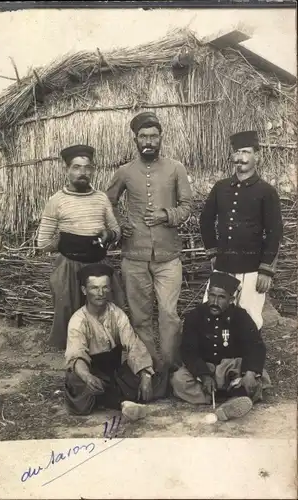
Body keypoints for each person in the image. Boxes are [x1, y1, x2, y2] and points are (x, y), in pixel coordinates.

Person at [106, 112, 192, 372]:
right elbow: (107, 202)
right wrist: (120, 224)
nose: (149, 141)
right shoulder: (125, 172)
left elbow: (187, 206)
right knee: (141, 317)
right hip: (134, 256)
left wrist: (167, 215)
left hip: (169, 257)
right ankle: (150, 370)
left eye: (153, 136)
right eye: (143, 136)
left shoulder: (176, 168)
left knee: (169, 314)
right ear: (135, 139)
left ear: (161, 138)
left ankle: (170, 368)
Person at [37, 144, 125, 350]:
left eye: (87, 168)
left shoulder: (101, 198)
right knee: (71, 322)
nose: (82, 173)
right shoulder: (56, 201)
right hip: (69, 269)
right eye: (76, 167)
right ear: (66, 170)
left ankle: (104, 366)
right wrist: (67, 244)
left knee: (106, 319)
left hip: (99, 267)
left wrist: (109, 235)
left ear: (93, 170)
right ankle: (76, 367)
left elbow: (115, 230)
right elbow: (42, 242)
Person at [200, 130, 283, 331]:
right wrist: (212, 251)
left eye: (246, 152)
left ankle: (246, 362)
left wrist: (266, 270)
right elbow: (205, 219)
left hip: (252, 268)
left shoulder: (266, 191)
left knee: (249, 321)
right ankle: (217, 361)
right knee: (213, 314)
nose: (240, 158)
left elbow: (275, 231)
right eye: (236, 153)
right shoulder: (221, 187)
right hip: (223, 264)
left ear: (257, 156)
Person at [64, 263, 168, 419]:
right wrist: (87, 377)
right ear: (84, 291)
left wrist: (145, 376)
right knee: (79, 383)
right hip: (91, 370)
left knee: (157, 373)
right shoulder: (78, 320)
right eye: (94, 288)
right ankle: (122, 402)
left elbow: (133, 345)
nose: (100, 293)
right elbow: (76, 355)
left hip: (114, 372)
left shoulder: (117, 314)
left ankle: (113, 399)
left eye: (105, 287)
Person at [171, 272, 272, 421]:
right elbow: (188, 350)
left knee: (257, 375)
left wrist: (250, 372)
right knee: (178, 380)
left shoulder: (240, 316)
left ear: (231, 299)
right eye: (212, 295)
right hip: (206, 369)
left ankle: (230, 397)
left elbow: (256, 346)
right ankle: (234, 396)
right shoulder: (195, 315)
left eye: (221, 297)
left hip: (230, 369)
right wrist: (203, 375)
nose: (214, 302)